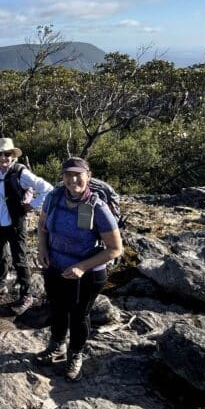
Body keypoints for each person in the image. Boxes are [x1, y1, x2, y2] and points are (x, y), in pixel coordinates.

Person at [36, 157, 123, 382]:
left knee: (78, 315)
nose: (73, 179)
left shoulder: (98, 207)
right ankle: (56, 346)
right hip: (55, 266)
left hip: (89, 273)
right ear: (62, 177)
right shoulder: (54, 198)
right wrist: (42, 249)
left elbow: (115, 249)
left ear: (88, 176)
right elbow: (42, 226)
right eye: (68, 175)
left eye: (78, 174)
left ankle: (75, 354)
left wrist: (82, 267)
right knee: (57, 307)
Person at [0, 138, 53, 313]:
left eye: (7, 154)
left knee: (20, 259)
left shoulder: (21, 173)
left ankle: (27, 294)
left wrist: (32, 205)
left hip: (15, 223)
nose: (3, 158)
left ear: (13, 156)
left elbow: (47, 188)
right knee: (0, 256)